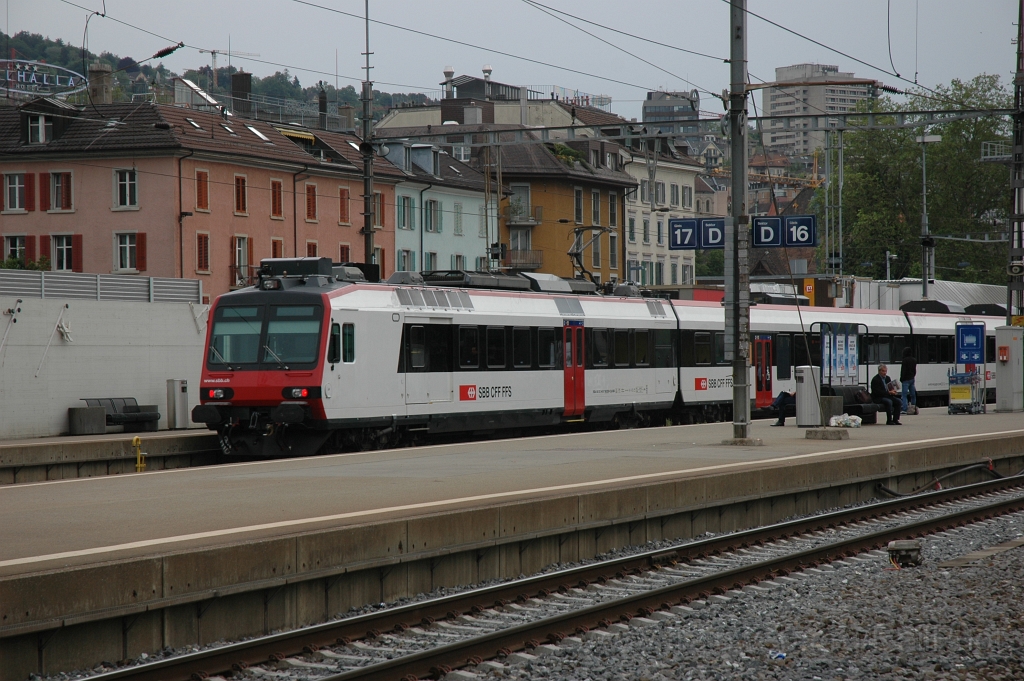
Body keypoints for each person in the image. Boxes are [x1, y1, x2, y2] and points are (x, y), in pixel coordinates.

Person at [900, 346, 918, 414]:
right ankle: (913, 408)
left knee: (904, 395)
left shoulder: (904, 360)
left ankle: (904, 409)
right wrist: (912, 376)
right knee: (913, 394)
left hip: (905, 380)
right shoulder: (914, 360)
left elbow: (903, 371)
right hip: (912, 379)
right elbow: (914, 371)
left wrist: (901, 378)